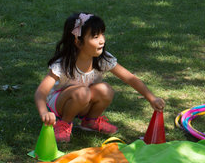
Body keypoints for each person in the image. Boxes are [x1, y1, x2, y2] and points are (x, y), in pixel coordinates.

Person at [35, 12, 165, 144]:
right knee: (82, 92)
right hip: (60, 104)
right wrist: (44, 113)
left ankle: (90, 122)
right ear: (78, 42)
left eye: (102, 34)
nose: (102, 40)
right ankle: (64, 124)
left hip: (83, 100)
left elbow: (130, 78)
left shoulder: (102, 59)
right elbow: (41, 92)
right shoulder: (63, 64)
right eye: (95, 37)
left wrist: (151, 98)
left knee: (106, 89)